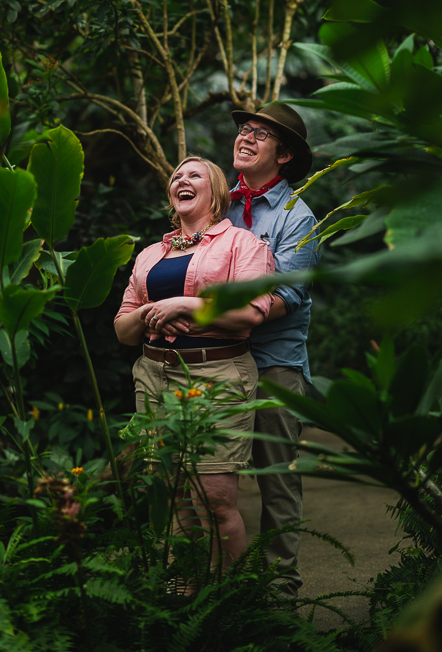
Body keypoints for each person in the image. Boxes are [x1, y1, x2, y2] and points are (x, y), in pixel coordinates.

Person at [114, 156, 275, 572]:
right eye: (176, 177)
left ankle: (235, 604)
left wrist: (186, 305)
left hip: (216, 376)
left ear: (216, 192)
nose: (181, 181)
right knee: (171, 495)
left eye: (194, 175)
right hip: (154, 375)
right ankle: (182, 596)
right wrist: (153, 313)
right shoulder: (150, 254)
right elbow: (123, 328)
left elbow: (253, 311)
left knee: (215, 501)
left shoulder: (242, 245)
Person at [226, 103, 320, 600]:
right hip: (216, 358)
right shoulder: (218, 201)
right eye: (244, 130)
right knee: (212, 475)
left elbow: (288, 296)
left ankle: (279, 593)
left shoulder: (296, 217)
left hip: (273, 364)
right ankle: (214, 587)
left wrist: (219, 311)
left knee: (275, 479)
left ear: (283, 155)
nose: (246, 137)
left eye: (259, 134)